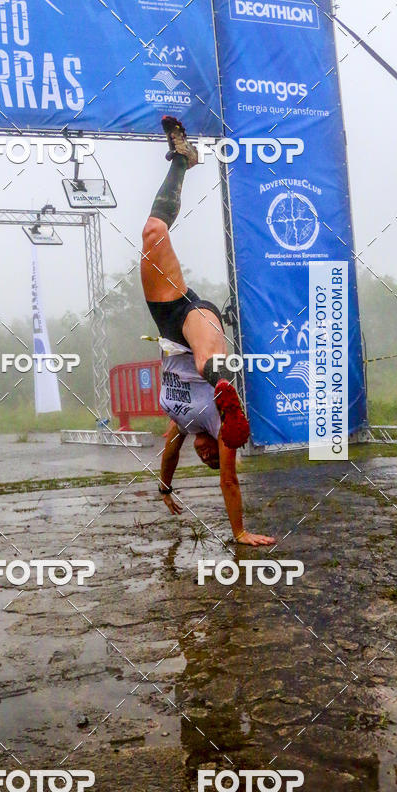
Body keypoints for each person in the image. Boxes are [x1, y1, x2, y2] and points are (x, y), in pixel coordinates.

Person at [140, 116, 276, 547]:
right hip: (202, 328)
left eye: (204, 457)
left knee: (153, 232)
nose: (204, 453)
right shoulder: (220, 430)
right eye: (211, 454)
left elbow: (169, 455)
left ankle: (182, 159)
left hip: (169, 323)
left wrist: (164, 488)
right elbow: (230, 483)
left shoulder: (180, 424)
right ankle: (224, 383)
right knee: (206, 359)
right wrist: (239, 532)